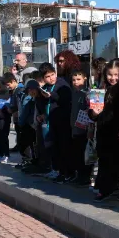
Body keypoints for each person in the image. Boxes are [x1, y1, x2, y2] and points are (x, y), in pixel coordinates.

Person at [90, 59, 119, 201]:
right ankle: (108, 188)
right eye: (110, 74)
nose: (113, 78)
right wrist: (93, 113)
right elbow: (93, 113)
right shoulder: (100, 88)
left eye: (116, 74)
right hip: (104, 130)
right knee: (106, 161)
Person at [48, 51, 79, 182]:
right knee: (59, 145)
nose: (59, 64)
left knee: (67, 146)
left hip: (70, 116)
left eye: (62, 61)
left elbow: (68, 98)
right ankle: (62, 171)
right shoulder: (61, 76)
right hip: (58, 117)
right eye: (58, 62)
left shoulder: (72, 75)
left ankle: (69, 172)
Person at [69, 68, 93, 185]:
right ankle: (79, 175)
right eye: (74, 80)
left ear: (85, 79)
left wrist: (90, 129)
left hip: (84, 130)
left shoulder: (87, 94)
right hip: (75, 129)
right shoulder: (74, 93)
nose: (76, 82)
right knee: (77, 154)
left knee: (85, 154)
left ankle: (85, 177)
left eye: (78, 79)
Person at [0, 75, 15, 164]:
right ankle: (0, 154)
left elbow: (10, 108)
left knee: (3, 137)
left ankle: (6, 155)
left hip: (4, 120)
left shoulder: (7, 95)